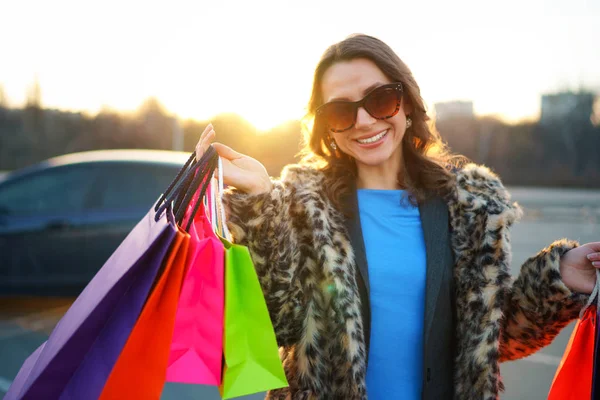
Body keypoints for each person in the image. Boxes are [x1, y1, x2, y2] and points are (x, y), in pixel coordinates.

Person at [194, 34, 600, 399]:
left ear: (406, 101)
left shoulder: (471, 207)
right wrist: (261, 203)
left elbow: (488, 339)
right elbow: (278, 326)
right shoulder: (301, 206)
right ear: (327, 127)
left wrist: (559, 277)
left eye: (380, 99)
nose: (365, 121)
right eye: (341, 111)